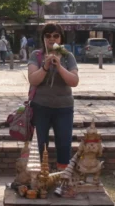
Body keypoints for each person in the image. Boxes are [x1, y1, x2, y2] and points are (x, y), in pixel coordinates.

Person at [28, 23, 79, 195]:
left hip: (64, 108)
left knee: (64, 146)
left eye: (55, 36)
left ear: (61, 39)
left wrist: (58, 65)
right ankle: (40, 181)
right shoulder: (36, 55)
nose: (51, 39)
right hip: (41, 106)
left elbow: (74, 81)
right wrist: (45, 66)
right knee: (40, 145)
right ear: (43, 38)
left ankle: (62, 182)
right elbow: (33, 80)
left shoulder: (68, 56)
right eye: (48, 35)